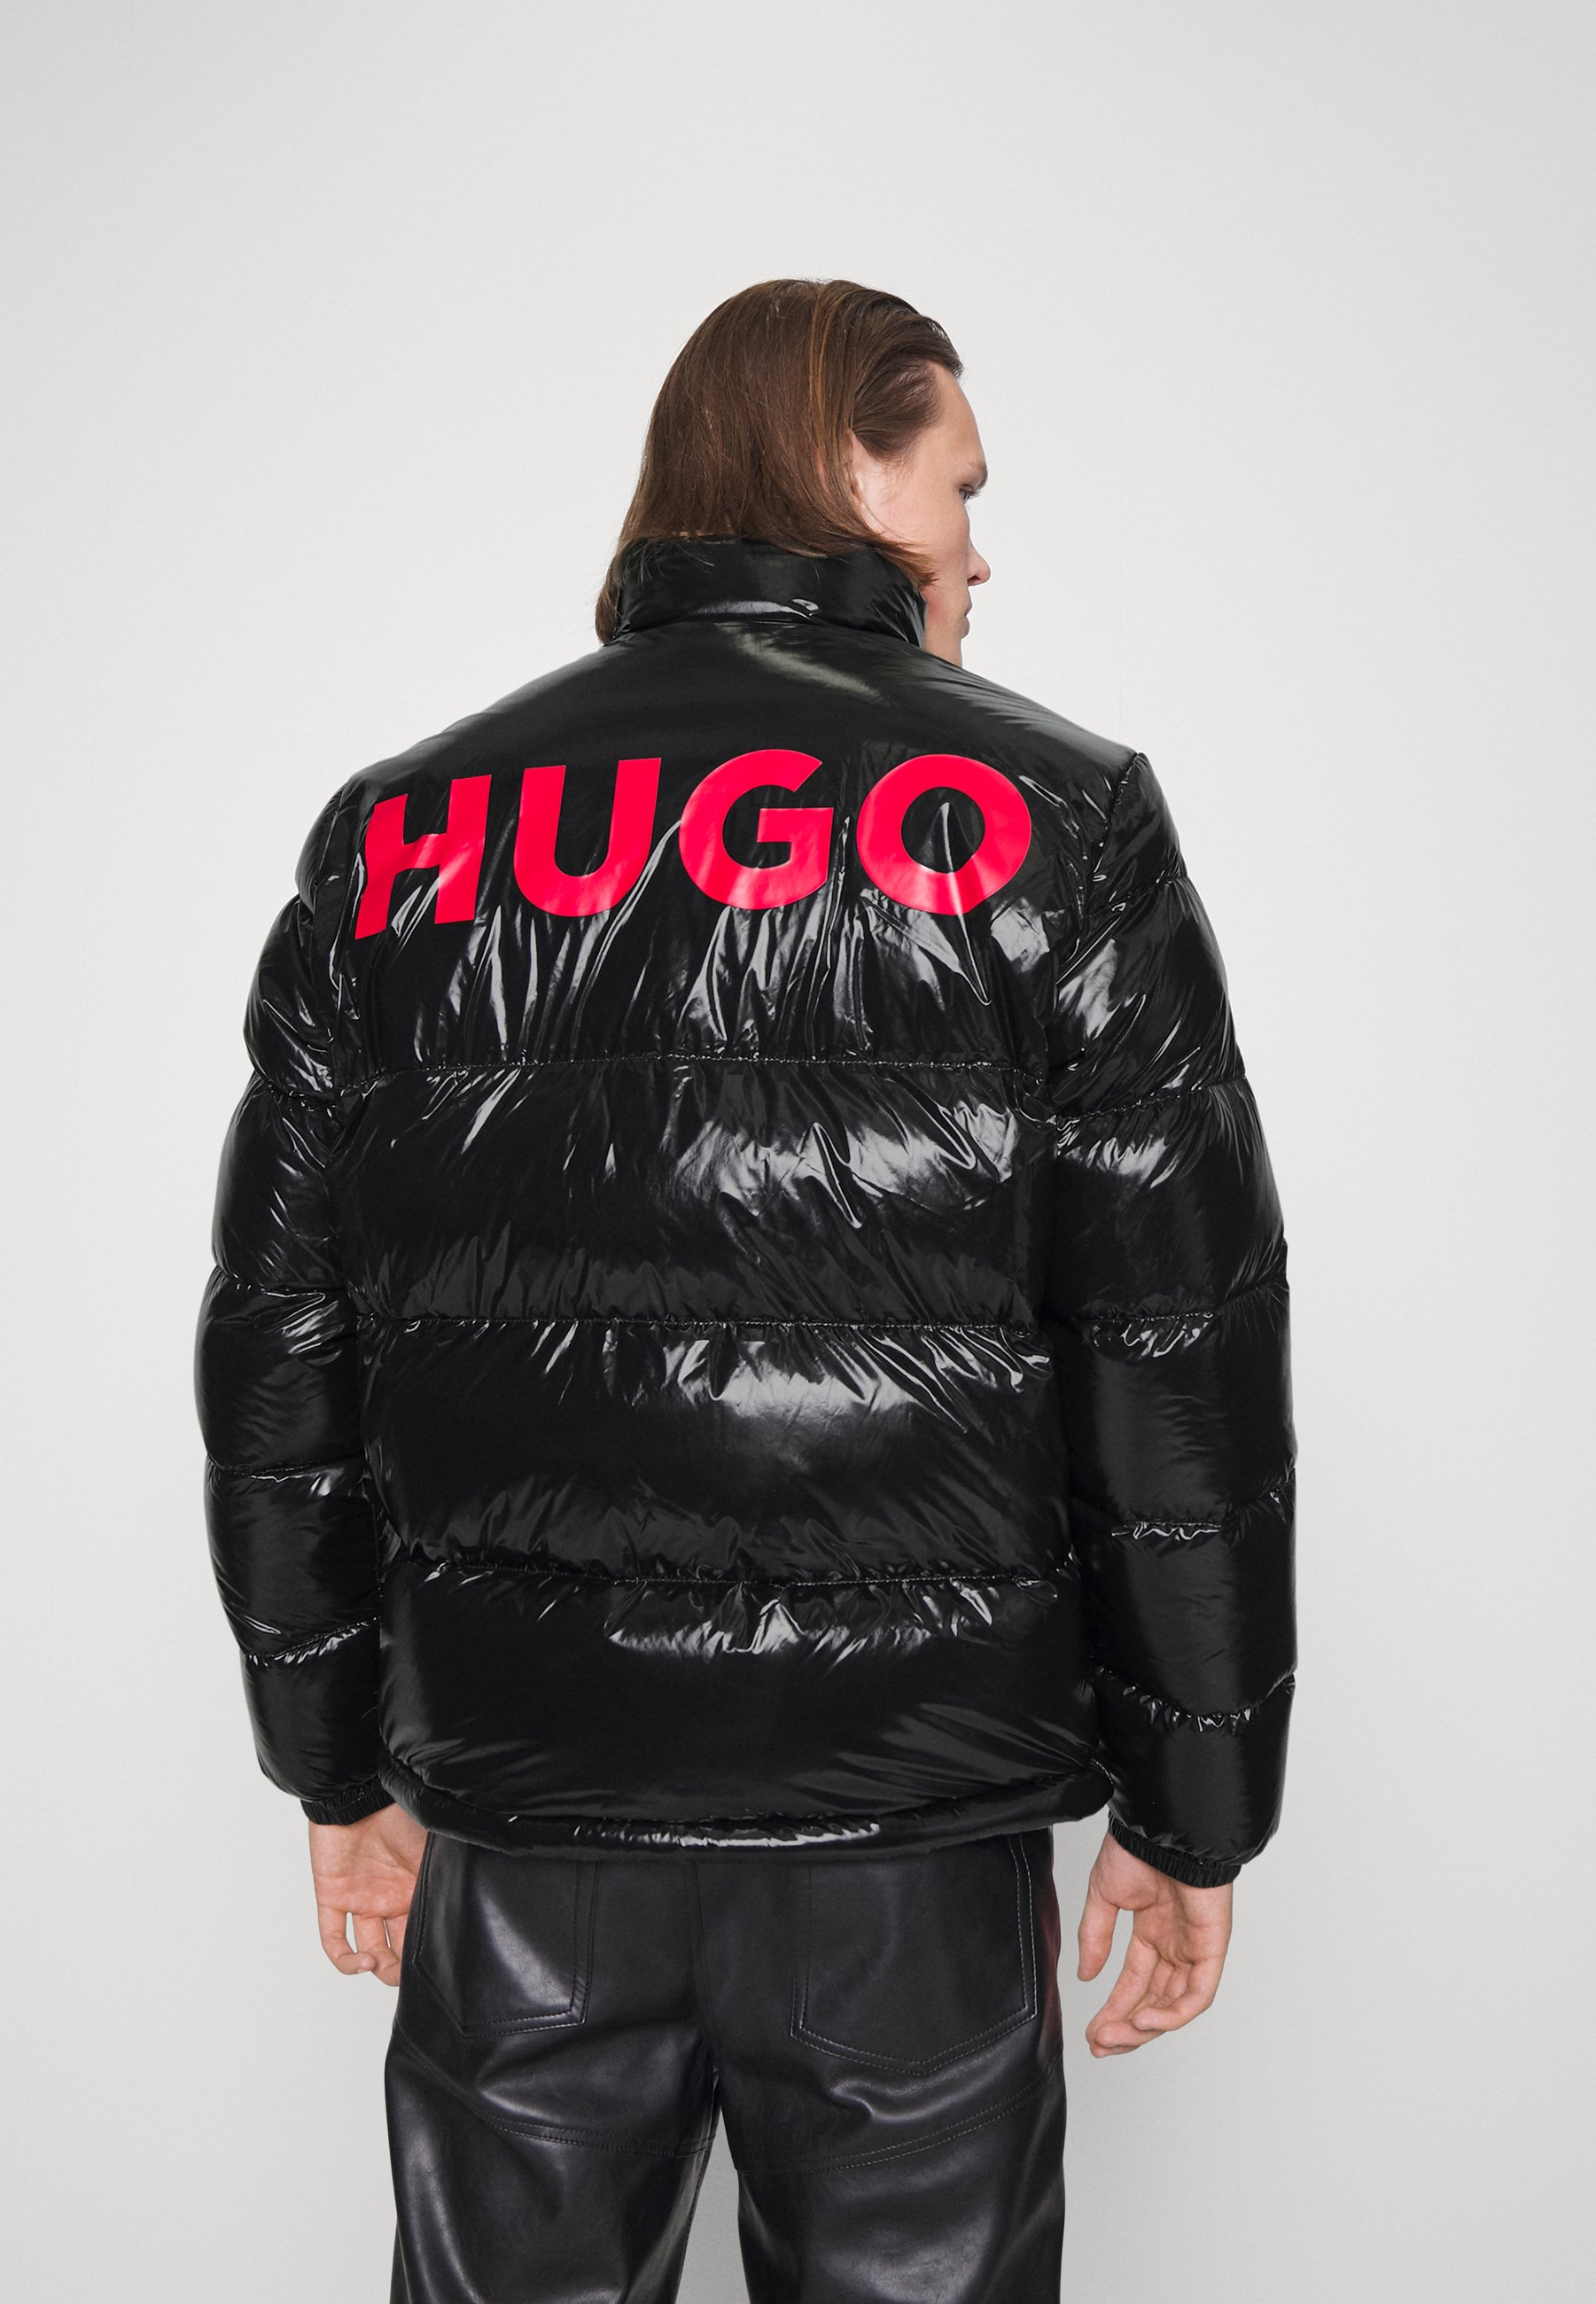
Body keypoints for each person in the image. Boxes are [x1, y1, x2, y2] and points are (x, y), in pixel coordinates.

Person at [196, 278, 1296, 2303]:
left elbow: (283, 1340)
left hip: (533, 1813)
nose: (979, 549)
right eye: (960, 485)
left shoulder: (401, 837)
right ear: (851, 469)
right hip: (908, 1825)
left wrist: (333, 1759)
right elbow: (1176, 1347)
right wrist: (1195, 1802)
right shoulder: (1064, 823)